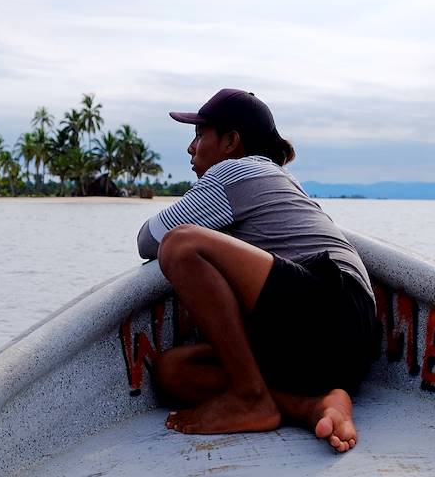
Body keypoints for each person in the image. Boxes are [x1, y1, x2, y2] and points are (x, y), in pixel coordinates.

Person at [136, 88, 377, 453]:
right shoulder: (282, 178)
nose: (191, 148)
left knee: (180, 244)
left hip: (333, 306)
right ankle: (317, 405)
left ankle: (249, 396)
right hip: (341, 348)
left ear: (231, 141)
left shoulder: (232, 172)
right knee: (174, 371)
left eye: (200, 135)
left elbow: (148, 240)